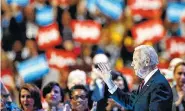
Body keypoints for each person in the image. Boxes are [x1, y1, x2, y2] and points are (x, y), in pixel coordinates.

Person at [96, 45, 173, 111]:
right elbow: (129, 101)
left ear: (147, 61)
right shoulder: (147, 82)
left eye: (135, 60)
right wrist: (109, 82)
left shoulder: (159, 84)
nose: (132, 64)